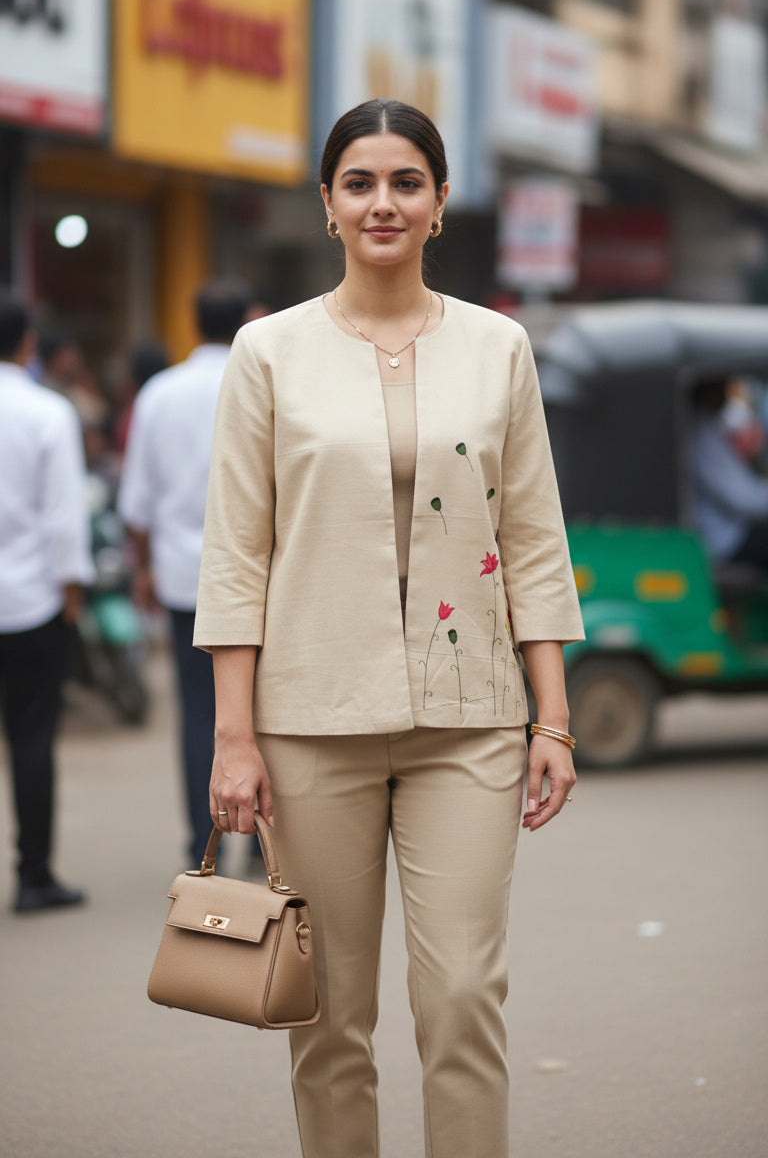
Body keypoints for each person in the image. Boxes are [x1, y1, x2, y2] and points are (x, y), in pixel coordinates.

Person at [193, 100, 584, 1158]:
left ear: (441, 204)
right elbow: (238, 553)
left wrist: (552, 720)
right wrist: (236, 738)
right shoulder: (267, 353)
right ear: (326, 205)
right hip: (312, 722)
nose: (383, 202)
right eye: (359, 183)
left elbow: (533, 538)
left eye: (406, 181)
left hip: (471, 720)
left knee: (462, 998)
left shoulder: (499, 347)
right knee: (328, 1020)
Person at [118, 281, 250, 866]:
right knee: (259, 710)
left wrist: (142, 568)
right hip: (255, 578)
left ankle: (205, 840)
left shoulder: (158, 394)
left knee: (199, 710)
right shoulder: (261, 380)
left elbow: (136, 501)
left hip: (182, 577)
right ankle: (257, 842)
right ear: (246, 320)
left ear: (193, 323)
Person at [0, 293, 93, 913]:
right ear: (27, 343)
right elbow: (65, 513)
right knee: (32, 739)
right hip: (30, 599)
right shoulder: (46, 411)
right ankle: (34, 875)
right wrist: (72, 591)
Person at [687, 377, 768, 571]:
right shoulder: (700, 430)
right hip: (723, 541)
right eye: (720, 383)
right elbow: (744, 500)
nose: (724, 390)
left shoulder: (707, 423)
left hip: (730, 531)